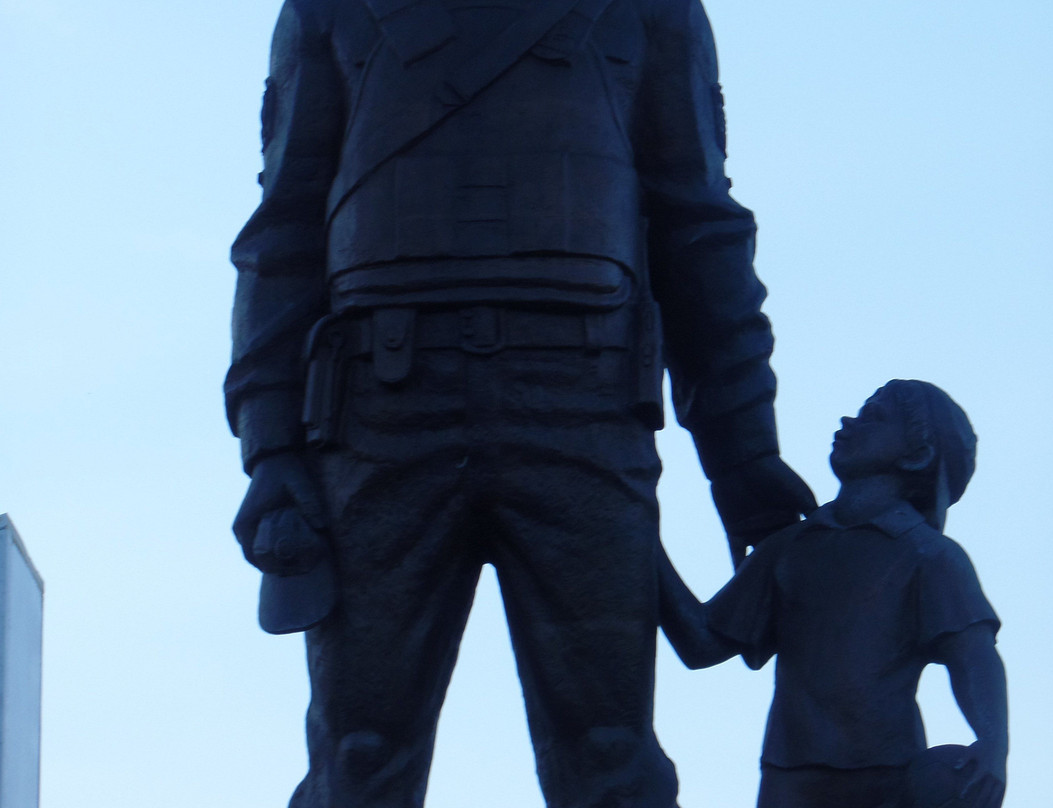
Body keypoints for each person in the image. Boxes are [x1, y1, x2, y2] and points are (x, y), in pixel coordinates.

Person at [225, 0, 815, 805]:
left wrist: (744, 459)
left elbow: (699, 230)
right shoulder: (328, 9)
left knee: (610, 752)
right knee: (358, 754)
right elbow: (284, 235)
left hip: (582, 404)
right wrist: (269, 447)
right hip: (378, 414)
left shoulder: (653, 10)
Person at [659, 380, 1008, 808]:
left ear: (917, 455)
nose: (849, 421)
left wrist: (994, 747)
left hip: (886, 778)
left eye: (875, 417)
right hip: (789, 780)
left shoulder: (929, 555)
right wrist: (640, 538)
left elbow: (973, 657)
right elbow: (702, 643)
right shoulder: (790, 547)